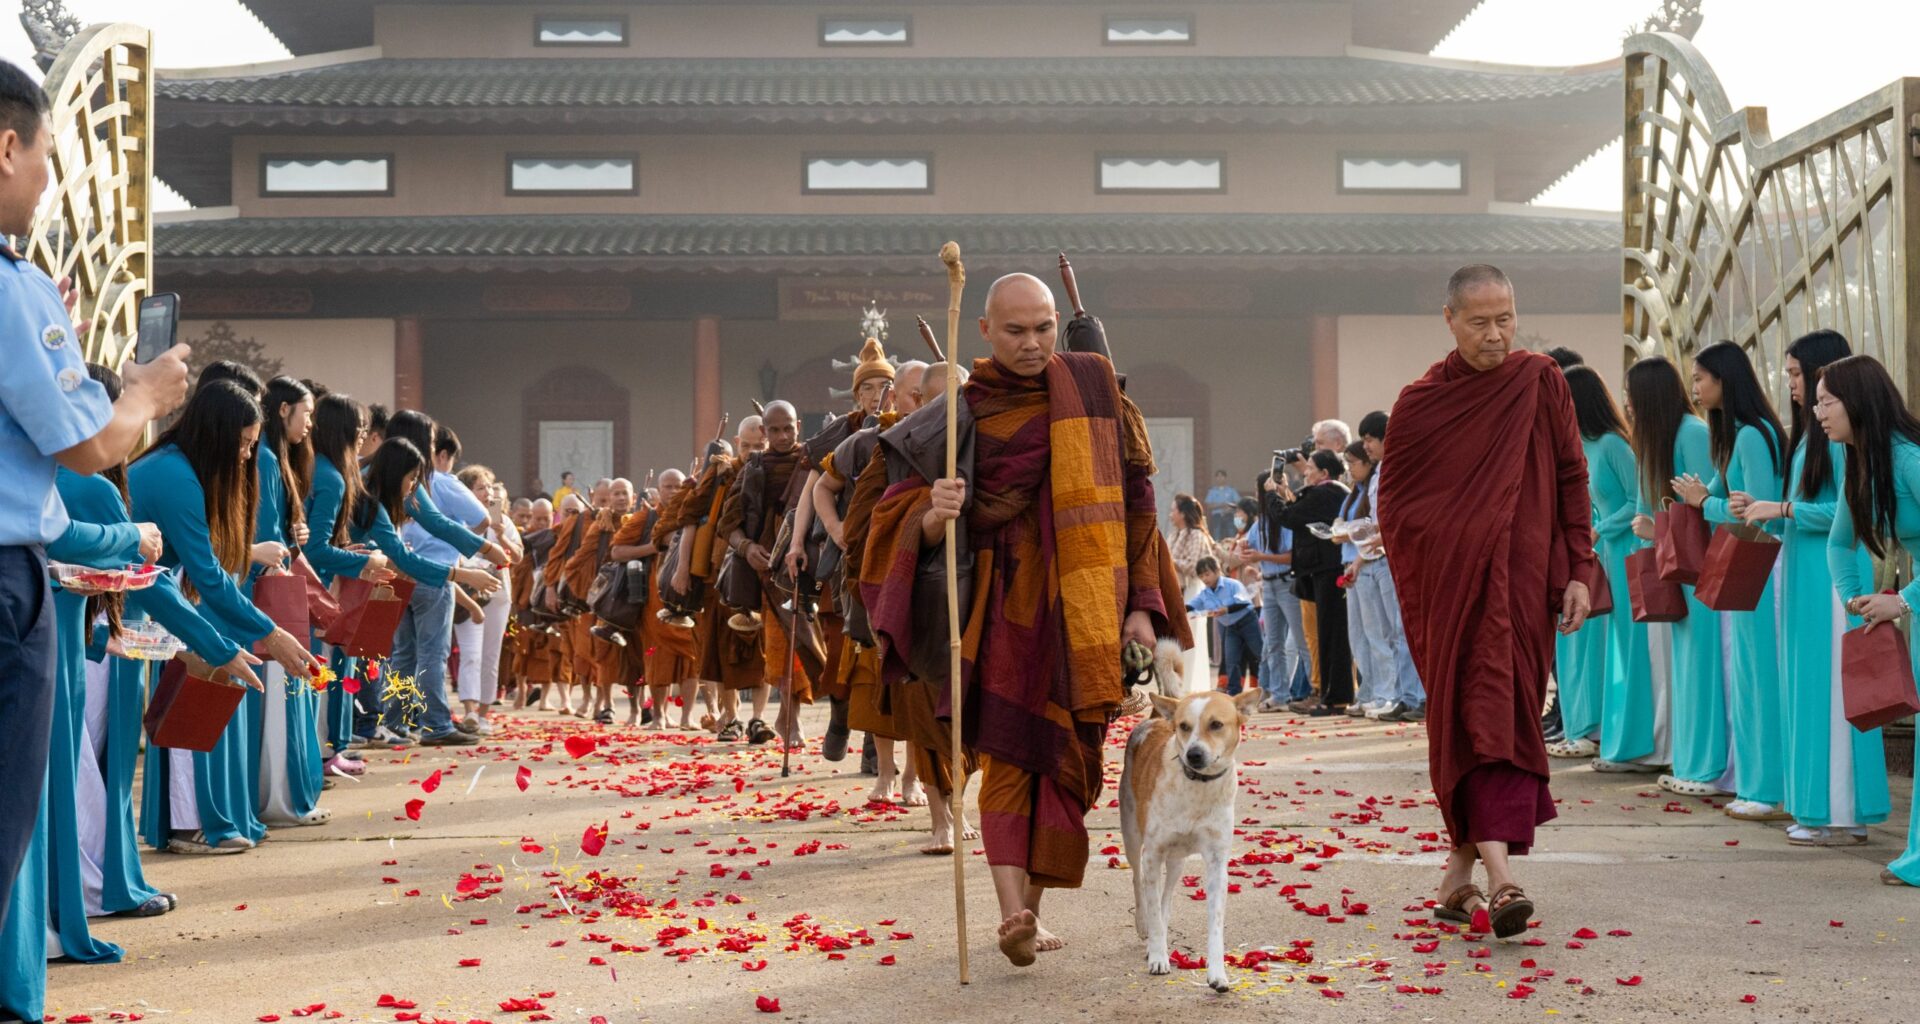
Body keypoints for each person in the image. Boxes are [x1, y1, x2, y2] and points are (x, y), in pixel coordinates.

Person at [859, 272, 1179, 968]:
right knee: (1005, 754)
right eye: (1015, 331)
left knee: (1071, 765)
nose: (1033, 343)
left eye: (1043, 327)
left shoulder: (1095, 391)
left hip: (1087, 609)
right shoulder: (954, 417)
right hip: (1002, 609)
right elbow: (888, 520)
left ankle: (1033, 904)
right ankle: (1013, 914)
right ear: (984, 332)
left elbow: (1140, 503)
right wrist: (935, 516)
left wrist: (1142, 608)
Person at [0, 59, 190, 967]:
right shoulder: (13, 290)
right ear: (8, 147)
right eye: (44, 158)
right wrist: (144, 393)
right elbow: (85, 448)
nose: (44, 184)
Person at [1376, 264, 1594, 938]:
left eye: (1506, 318)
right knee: (1475, 719)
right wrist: (1463, 535)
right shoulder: (1421, 403)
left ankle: (1455, 880)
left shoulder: (1540, 380)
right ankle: (1502, 880)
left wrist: (1580, 567)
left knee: (1507, 712)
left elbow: (1569, 474)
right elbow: (1397, 505)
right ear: (1450, 321)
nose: (1497, 334)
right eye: (1480, 322)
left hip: (1526, 584)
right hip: (1454, 590)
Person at [131, 380, 322, 857]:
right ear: (215, 434)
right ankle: (184, 823)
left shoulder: (180, 471)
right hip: (123, 616)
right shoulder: (174, 477)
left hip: (150, 609)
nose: (245, 455)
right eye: (241, 443)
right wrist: (271, 633)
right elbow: (210, 576)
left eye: (252, 445)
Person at [1744, 332, 1887, 845]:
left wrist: (1782, 509)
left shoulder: (1842, 439)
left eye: (1796, 374)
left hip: (1834, 582)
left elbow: (1848, 512)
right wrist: (1768, 514)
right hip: (1804, 578)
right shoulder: (1810, 436)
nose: (1791, 385)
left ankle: (1844, 814)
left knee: (1834, 694)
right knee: (1807, 694)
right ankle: (1817, 805)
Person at [1671, 341, 1789, 822]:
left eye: (1700, 378)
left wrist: (1705, 503)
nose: (1695, 389)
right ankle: (1754, 782)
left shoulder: (1752, 437)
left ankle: (1768, 788)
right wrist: (1707, 499)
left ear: (1724, 379)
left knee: (1759, 678)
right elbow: (1729, 501)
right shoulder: (1738, 435)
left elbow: (1760, 511)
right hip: (1747, 572)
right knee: (1746, 677)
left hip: (1758, 569)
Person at [1815, 355, 1920, 885]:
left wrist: (1902, 601)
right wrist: (1857, 602)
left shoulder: (1907, 460)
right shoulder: (1861, 463)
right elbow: (1839, 545)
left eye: (1827, 401)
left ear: (1857, 402)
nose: (1817, 413)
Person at [1625, 357, 1732, 799]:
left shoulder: (1692, 434)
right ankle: (1691, 761)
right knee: (1686, 670)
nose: (1627, 404)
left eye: (1632, 395)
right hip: (1678, 569)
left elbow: (1705, 510)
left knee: (1703, 670)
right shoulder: (1658, 438)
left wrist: (1658, 530)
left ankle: (1707, 767)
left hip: (1700, 569)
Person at [1560, 366, 1664, 773]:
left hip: (1625, 551)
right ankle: (1607, 731)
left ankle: (1627, 738)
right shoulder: (1581, 446)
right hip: (1602, 554)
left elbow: (1639, 499)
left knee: (1627, 645)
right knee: (1611, 647)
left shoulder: (1612, 446)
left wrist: (1599, 529)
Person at [385, 411, 507, 745]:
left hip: (395, 573)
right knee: (431, 654)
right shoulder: (433, 481)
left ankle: (394, 721)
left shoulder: (377, 474)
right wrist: (483, 547)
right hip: (433, 576)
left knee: (403, 654)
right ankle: (435, 723)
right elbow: (475, 519)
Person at [252, 375, 327, 828]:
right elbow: (260, 534)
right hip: (270, 590)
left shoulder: (275, 459)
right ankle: (279, 798)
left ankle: (284, 795)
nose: (309, 424)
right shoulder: (264, 458)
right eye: (306, 413)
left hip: (276, 580)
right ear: (283, 410)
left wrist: (293, 533)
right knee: (280, 690)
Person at [305, 394, 392, 761]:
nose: (364, 435)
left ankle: (327, 753)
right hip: (319, 590)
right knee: (323, 678)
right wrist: (364, 563)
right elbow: (315, 549)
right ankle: (324, 755)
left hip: (319, 585)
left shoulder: (322, 470)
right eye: (359, 428)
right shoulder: (331, 478)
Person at [720, 400, 809, 746]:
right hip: (767, 568)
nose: (783, 436)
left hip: (804, 566)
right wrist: (746, 548)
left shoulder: (812, 462)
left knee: (802, 644)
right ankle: (790, 717)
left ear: (798, 425)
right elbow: (729, 522)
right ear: (764, 432)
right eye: (775, 430)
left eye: (789, 428)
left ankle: (790, 714)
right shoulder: (753, 466)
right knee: (779, 644)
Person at [1272, 449, 1352, 717]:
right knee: (1328, 634)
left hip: (1329, 571)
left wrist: (1273, 494)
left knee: (1333, 636)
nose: (1304, 472)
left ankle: (1336, 698)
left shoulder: (1327, 492)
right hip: (1324, 570)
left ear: (1324, 473)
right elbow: (1299, 510)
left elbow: (1290, 517)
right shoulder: (1329, 493)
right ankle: (1331, 695)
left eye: (1310, 468)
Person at [455, 464, 521, 735]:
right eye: (480, 487)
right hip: (468, 593)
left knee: (490, 654)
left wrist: (501, 533)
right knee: (470, 653)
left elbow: (517, 557)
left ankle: (483, 713)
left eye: (489, 487)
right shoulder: (456, 519)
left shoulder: (502, 521)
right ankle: (469, 712)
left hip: (498, 593)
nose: (487, 493)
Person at [1237, 473, 1304, 712]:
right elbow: (1247, 549)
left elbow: (1291, 557)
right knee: (1273, 643)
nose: (1258, 496)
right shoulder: (1261, 522)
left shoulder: (1285, 517)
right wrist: (1244, 551)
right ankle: (1279, 694)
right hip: (1270, 584)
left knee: (1300, 639)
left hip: (1287, 583)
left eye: (1260, 492)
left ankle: (1310, 691)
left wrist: (1260, 557)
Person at [1186, 556, 1258, 696]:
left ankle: (1270, 688)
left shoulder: (1233, 584)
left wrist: (1225, 609)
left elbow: (1244, 603)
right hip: (1230, 626)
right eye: (1201, 576)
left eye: (1207, 574)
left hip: (1247, 621)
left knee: (1259, 653)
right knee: (1231, 659)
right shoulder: (1204, 593)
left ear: (1217, 571)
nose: (1205, 579)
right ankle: (1233, 692)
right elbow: (1190, 606)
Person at [1166, 492, 1216, 691]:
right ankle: (1177, 683)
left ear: (1183, 513)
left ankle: (1189, 685)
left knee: (1190, 638)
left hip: (1192, 591)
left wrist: (1169, 562)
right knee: (1176, 638)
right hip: (1175, 590)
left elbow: (1194, 566)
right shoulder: (1173, 535)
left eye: (1173, 510)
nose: (1171, 515)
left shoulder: (1197, 535)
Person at [1204, 469, 1240, 541]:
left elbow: (1238, 503)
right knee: (1216, 533)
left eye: (1222, 476)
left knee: (1231, 532)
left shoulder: (1231, 490)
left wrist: (1229, 507)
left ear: (1225, 478)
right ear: (1216, 478)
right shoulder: (1212, 491)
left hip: (1229, 514)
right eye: (1218, 476)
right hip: (1217, 515)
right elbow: (1208, 505)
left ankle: (1232, 547)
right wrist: (1220, 505)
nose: (1220, 478)